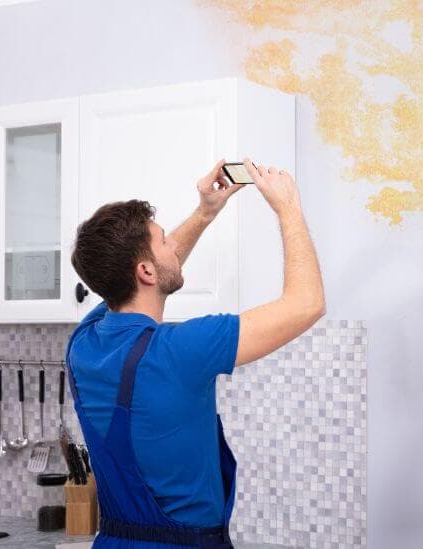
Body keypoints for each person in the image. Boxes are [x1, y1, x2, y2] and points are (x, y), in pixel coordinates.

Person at [66, 159, 325, 548]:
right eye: (165, 240)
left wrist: (205, 213)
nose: (174, 245)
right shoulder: (182, 349)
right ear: (146, 272)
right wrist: (288, 206)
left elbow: (146, 275)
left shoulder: (82, 343)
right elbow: (307, 303)